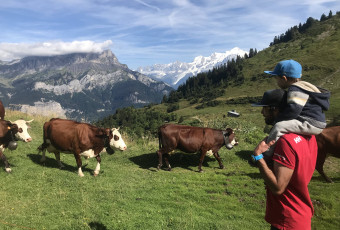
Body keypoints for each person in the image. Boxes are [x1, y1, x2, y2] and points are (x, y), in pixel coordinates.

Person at [251, 89, 318, 230]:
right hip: (301, 212)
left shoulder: (285, 142)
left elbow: (278, 187)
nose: (262, 113)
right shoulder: (309, 135)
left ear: (274, 109)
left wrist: (258, 157)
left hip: (287, 219)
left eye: (264, 108)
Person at [261, 59, 330, 161]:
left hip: (310, 122)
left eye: (277, 78)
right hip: (316, 121)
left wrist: (279, 119)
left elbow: (293, 110)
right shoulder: (305, 87)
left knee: (279, 127)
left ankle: (266, 154)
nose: (277, 82)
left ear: (284, 78)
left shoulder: (295, 89)